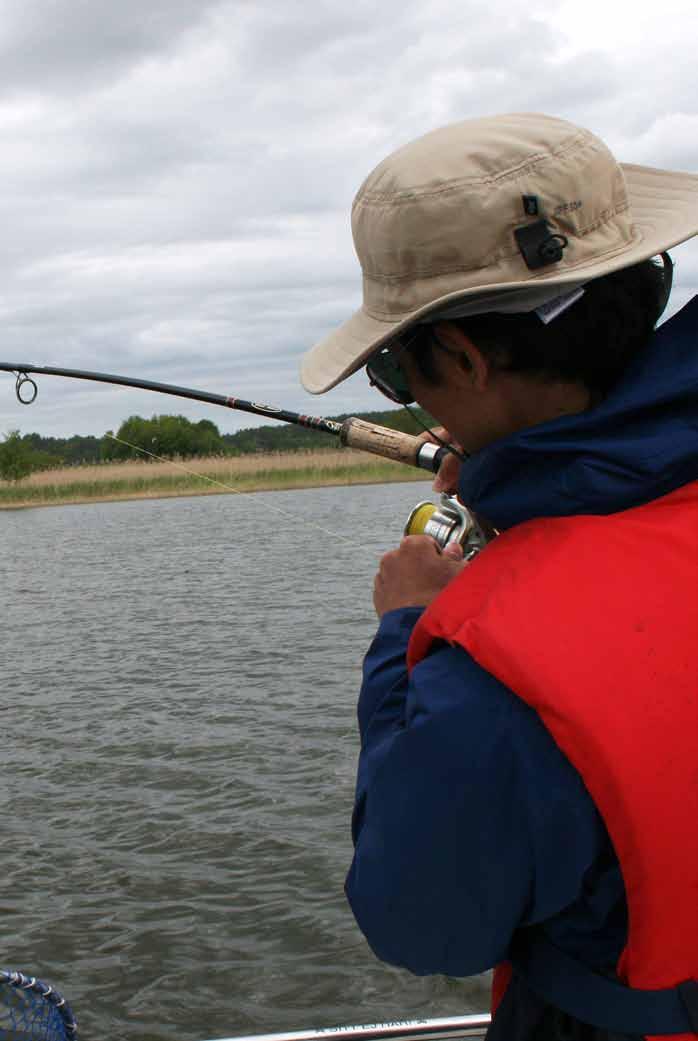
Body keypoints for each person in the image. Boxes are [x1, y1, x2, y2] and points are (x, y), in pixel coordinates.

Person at [299, 114, 698, 1041]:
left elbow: (421, 919)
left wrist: (405, 632)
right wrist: (522, 492)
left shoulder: (497, 671)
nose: (415, 399)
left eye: (400, 372)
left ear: (469, 361)